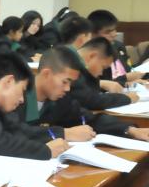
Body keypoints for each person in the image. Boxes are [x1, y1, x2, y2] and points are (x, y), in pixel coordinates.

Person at [17, 46, 149, 142]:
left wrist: (129, 130)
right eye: (65, 81)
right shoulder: (16, 96)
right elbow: (15, 131)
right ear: (47, 74)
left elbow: (90, 119)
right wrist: (64, 133)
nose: (68, 89)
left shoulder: (60, 100)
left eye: (71, 83)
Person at [69, 37, 136, 110]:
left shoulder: (83, 69)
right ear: (92, 56)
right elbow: (92, 100)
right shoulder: (69, 65)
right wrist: (126, 98)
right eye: (103, 67)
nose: (101, 73)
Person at [88, 9, 147, 85]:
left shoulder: (118, 45)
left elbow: (128, 69)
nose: (114, 34)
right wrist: (126, 80)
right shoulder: (88, 54)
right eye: (108, 32)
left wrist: (143, 67)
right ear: (92, 34)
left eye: (114, 29)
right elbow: (96, 84)